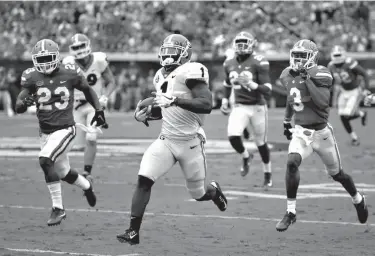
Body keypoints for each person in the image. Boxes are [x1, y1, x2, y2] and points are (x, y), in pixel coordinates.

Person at [116, 34, 227, 245]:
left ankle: (214, 192)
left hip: (190, 142)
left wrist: (175, 99)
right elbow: (165, 109)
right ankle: (133, 231)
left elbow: (206, 104)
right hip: (166, 140)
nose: (167, 57)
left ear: (184, 55)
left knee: (198, 193)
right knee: (144, 179)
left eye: (173, 53)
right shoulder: (159, 76)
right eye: (165, 52)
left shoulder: (191, 71)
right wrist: (148, 113)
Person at [276, 39, 368, 232]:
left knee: (338, 174)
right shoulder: (286, 74)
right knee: (292, 161)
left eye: (303, 56)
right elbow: (292, 97)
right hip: (301, 132)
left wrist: (307, 78)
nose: (298, 60)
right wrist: (286, 120)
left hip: (322, 133)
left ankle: (358, 199)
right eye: (296, 56)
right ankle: (290, 212)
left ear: (312, 58)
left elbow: (322, 103)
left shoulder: (321, 72)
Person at [15, 39, 107, 226]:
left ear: (57, 56)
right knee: (63, 172)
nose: (45, 62)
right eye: (41, 59)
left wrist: (98, 110)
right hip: (46, 132)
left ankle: (58, 209)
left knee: (45, 159)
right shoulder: (31, 76)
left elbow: (88, 90)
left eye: (48, 57)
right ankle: (87, 186)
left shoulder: (70, 71)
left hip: (65, 128)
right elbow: (19, 106)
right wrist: (24, 103)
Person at [220, 31, 272, 186]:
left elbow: (267, 88)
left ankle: (267, 172)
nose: (241, 46)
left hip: (257, 107)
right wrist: (224, 100)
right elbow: (227, 84)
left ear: (252, 44)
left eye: (245, 43)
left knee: (261, 143)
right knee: (233, 136)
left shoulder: (259, 62)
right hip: (240, 106)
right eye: (239, 43)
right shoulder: (228, 62)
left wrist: (252, 85)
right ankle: (245, 155)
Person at [63, 33, 116, 180]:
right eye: (76, 47)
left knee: (91, 136)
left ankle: (87, 172)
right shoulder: (68, 63)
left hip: (94, 104)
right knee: (73, 143)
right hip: (76, 106)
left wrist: (105, 97)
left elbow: (111, 81)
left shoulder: (98, 60)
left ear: (88, 46)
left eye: (81, 46)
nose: (80, 50)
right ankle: (64, 170)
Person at [328, 45, 370, 146]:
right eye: (335, 55)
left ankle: (362, 114)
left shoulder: (349, 63)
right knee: (342, 116)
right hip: (343, 91)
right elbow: (331, 81)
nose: (337, 57)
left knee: (347, 114)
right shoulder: (331, 66)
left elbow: (364, 74)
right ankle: (354, 138)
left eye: (339, 54)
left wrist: (366, 88)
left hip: (354, 91)